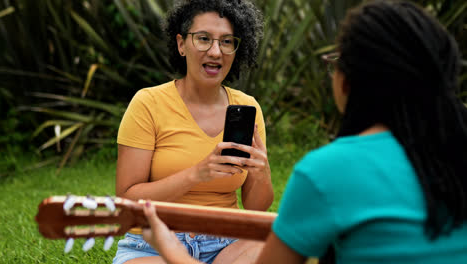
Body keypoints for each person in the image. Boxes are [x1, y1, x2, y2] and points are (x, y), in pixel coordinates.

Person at [139, 0, 467, 263]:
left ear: (347, 80)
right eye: (204, 39)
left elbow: (260, 212)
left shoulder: (325, 172)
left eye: (335, 60)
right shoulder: (455, 152)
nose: (215, 51)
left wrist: (171, 250)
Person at [113, 1, 273, 264]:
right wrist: (197, 173)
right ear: (181, 44)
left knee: (275, 251)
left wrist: (261, 171)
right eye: (203, 39)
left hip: (228, 243)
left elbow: (257, 207)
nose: (215, 51)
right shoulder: (147, 103)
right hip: (154, 244)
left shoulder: (248, 108)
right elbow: (128, 200)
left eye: (227, 42)